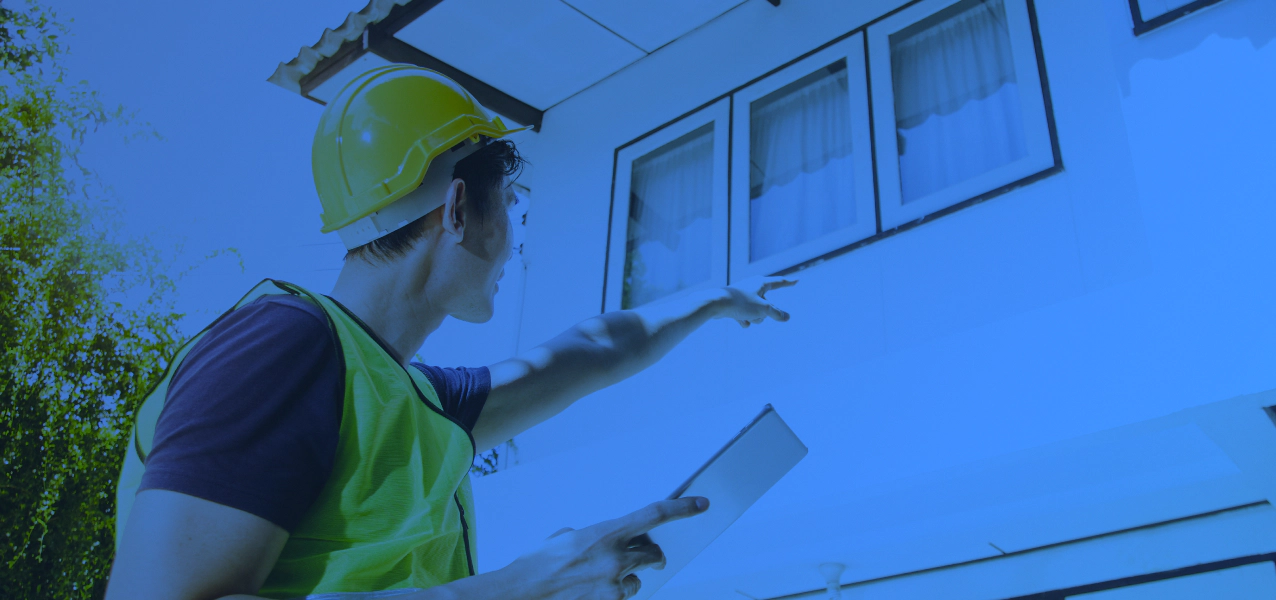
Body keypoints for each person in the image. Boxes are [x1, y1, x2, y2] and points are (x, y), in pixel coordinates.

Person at [105, 65, 796, 600]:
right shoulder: (286, 346)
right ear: (459, 208)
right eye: (513, 208)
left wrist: (716, 298)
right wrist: (522, 584)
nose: (513, 245)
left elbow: (593, 351)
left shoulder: (407, 400)